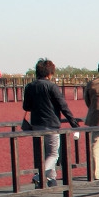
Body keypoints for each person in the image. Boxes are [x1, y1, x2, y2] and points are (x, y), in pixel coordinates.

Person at [22, 58, 79, 187]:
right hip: (51, 124)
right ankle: (39, 176)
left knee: (44, 153)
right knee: (53, 153)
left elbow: (26, 106)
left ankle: (51, 180)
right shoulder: (51, 86)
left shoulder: (29, 86)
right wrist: (73, 122)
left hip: (36, 124)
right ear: (49, 73)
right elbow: (63, 105)